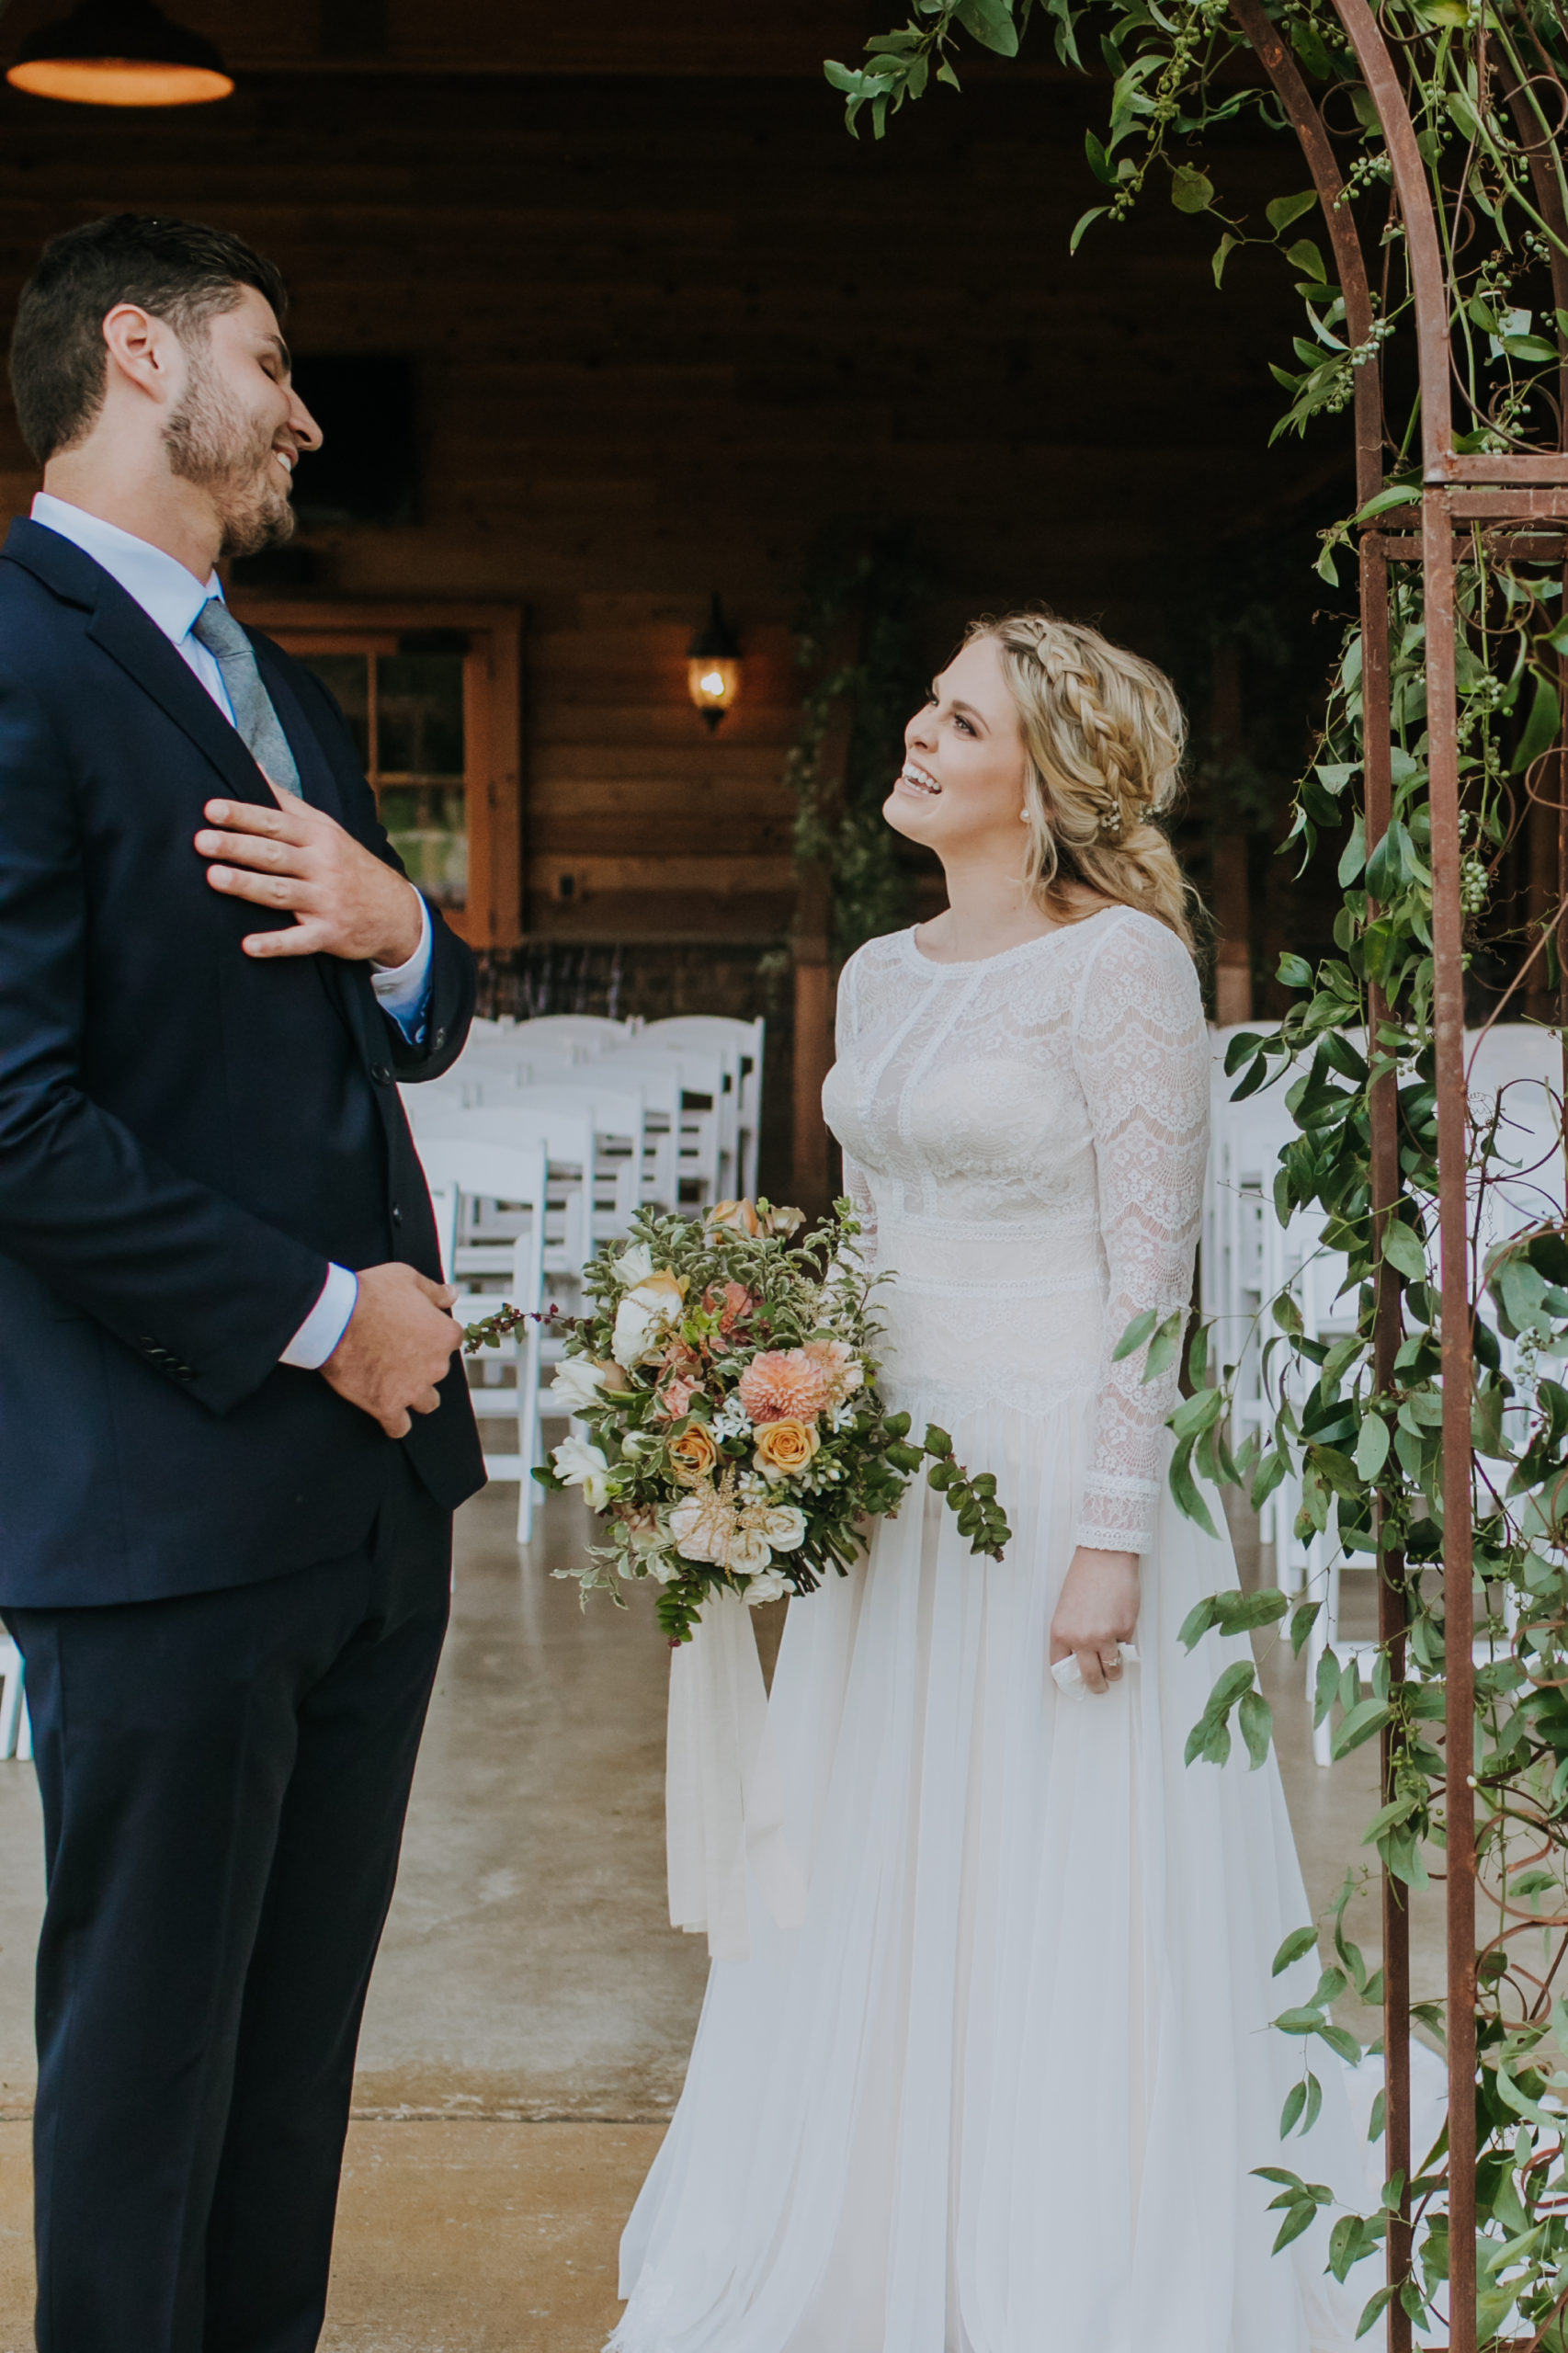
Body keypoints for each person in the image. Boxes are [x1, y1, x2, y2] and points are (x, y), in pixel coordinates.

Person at [611, 612, 1366, 2352]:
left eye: (961, 720)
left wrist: (1111, 1537)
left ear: (1046, 780)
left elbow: (1146, 1274)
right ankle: (874, 2211)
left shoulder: (1122, 969)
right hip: (894, 1497)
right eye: (930, 706)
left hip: (1050, 1480)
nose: (920, 737)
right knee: (877, 1855)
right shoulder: (878, 975)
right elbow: (863, 1248)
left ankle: (1062, 2237)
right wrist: (771, 1426)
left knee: (1054, 1865)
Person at [0, 214, 485, 2353]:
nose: (301, 410)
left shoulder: (277, 686)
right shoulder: (11, 653)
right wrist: (327, 1312)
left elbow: (420, 1004)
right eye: (269, 360)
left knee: (289, 2083)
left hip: (369, 1509)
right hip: (162, 1508)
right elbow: (12, 1120)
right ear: (136, 352)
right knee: (145, 2085)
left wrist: (406, 931)